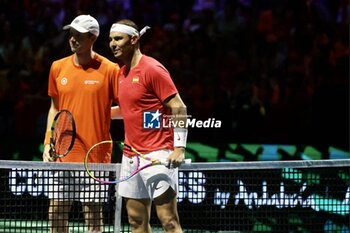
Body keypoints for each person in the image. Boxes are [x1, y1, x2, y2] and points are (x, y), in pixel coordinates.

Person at [42, 15, 119, 233]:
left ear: (93, 37)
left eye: (79, 36)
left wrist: (101, 113)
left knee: (93, 217)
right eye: (71, 34)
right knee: (55, 212)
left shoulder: (110, 69)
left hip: (95, 156)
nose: (73, 39)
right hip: (63, 152)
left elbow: (125, 107)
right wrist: (48, 142)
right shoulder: (57, 67)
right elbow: (54, 109)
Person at [109, 19, 187, 233]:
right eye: (110, 39)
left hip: (158, 155)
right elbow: (129, 110)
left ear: (133, 39)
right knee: (136, 222)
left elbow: (179, 107)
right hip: (130, 156)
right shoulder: (121, 74)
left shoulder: (152, 69)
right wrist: (97, 115)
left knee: (169, 221)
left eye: (118, 39)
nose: (112, 44)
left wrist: (179, 148)